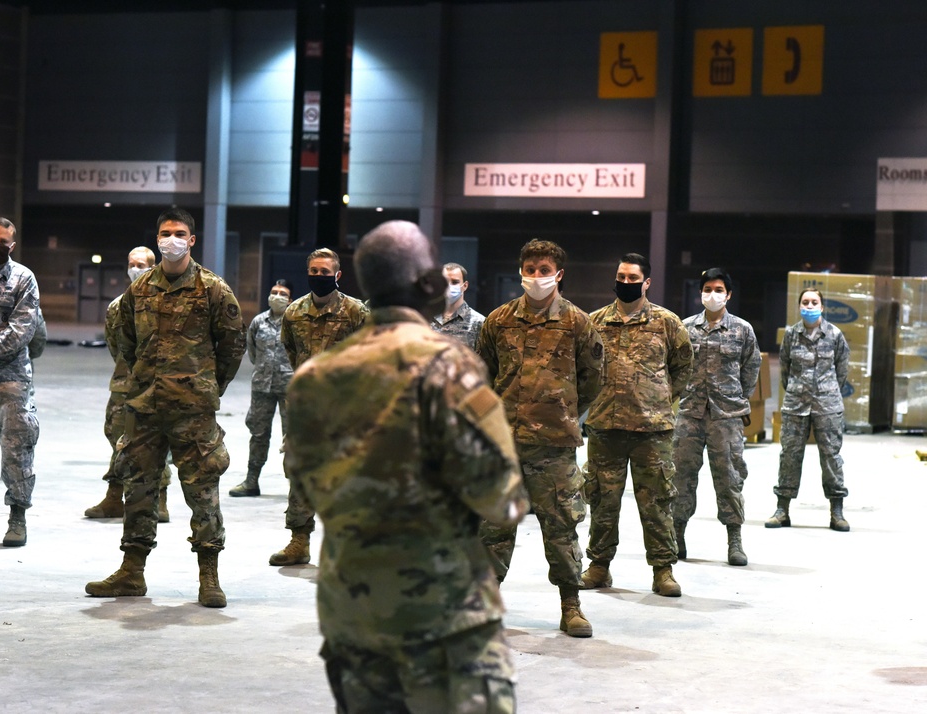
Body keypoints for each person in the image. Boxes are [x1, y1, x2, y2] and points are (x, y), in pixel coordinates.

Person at [286, 220, 526, 712]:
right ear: (430, 284)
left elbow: (307, 485)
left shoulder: (314, 377)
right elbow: (502, 499)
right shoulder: (448, 366)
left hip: (351, 615)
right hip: (441, 619)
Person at [85, 208, 245, 608]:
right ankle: (131, 572)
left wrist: (207, 387)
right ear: (157, 238)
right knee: (139, 488)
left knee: (202, 489)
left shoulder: (213, 289)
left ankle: (209, 575)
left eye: (179, 233)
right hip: (145, 408)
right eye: (165, 232)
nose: (171, 238)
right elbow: (123, 341)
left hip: (193, 411)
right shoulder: (138, 291)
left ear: (192, 240)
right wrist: (144, 379)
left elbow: (232, 347)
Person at [476, 238, 604, 637]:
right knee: (493, 525)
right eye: (530, 270)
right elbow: (483, 372)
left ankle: (571, 606)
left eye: (544, 270)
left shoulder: (578, 322)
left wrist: (563, 411)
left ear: (559, 274)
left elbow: (593, 379)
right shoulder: (498, 320)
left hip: (554, 445)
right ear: (521, 272)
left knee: (562, 527)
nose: (536, 277)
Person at [581, 253, 693, 597]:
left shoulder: (667, 322)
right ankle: (599, 566)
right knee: (602, 500)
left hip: (652, 431)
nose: (626, 283)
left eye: (633, 278)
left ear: (647, 282)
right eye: (621, 277)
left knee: (657, 501)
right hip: (605, 427)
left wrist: (658, 400)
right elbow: (581, 369)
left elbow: (683, 367)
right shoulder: (594, 322)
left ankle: (663, 569)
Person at [269, 248, 368, 566]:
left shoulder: (356, 312)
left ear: (338, 276)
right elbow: (291, 352)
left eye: (325, 272)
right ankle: (300, 540)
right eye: (314, 270)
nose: (319, 276)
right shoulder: (294, 312)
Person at [672, 268, 761, 567]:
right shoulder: (685, 328)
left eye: (719, 289)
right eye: (707, 288)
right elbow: (674, 367)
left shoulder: (742, 330)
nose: (713, 294)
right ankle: (677, 534)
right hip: (690, 415)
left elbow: (752, 368)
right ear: (700, 293)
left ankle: (734, 540)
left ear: (729, 294)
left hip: (726, 417)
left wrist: (736, 398)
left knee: (730, 478)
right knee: (681, 476)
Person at [84, 247, 172, 521]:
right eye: (132, 264)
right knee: (117, 436)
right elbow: (115, 346)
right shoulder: (117, 306)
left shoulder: (166, 302)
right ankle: (114, 497)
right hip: (124, 384)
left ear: (152, 266)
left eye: (141, 264)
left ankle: (160, 500)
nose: (136, 269)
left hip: (156, 385)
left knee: (156, 441)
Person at [766, 289, 851, 531]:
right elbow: (785, 368)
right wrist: (797, 390)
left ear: (822, 307)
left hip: (828, 405)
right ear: (799, 306)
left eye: (814, 302)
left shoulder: (834, 335)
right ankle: (782, 510)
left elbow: (841, 371)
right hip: (795, 405)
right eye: (805, 302)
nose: (810, 305)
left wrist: (827, 390)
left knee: (832, 458)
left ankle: (837, 512)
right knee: (789, 456)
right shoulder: (792, 335)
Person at [0, 217, 41, 547]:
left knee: (17, 449)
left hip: (10, 379)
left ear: (12, 245)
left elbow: (23, 329)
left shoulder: (23, 278)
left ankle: (17, 516)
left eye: (3, 241)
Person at [229, 279, 294, 497]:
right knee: (258, 434)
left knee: (292, 437)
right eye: (274, 291)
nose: (277, 296)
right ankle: (251, 481)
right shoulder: (259, 321)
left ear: (291, 298)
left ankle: (296, 487)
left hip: (290, 388)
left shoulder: (296, 321)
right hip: (262, 386)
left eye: (282, 293)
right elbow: (252, 351)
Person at [0, 305, 45, 480]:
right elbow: (39, 338)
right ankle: (17, 485)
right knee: (15, 428)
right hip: (14, 374)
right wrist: (25, 354)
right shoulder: (25, 303)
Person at [430, 261, 485, 348]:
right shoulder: (426, 318)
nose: (448, 286)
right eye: (445, 282)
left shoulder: (479, 322)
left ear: (465, 286)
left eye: (454, 282)